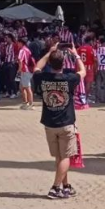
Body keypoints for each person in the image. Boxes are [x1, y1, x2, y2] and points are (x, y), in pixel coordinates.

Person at [32, 42, 87, 199]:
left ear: (50, 63)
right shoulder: (68, 78)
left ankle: (66, 186)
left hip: (49, 123)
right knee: (65, 157)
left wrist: (49, 53)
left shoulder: (43, 78)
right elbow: (82, 71)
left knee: (59, 157)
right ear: (64, 63)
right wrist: (76, 54)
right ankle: (55, 188)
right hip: (66, 122)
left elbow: (37, 67)